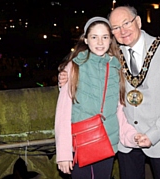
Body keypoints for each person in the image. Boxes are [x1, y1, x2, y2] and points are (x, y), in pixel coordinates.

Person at [59, 5, 160, 179]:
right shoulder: (114, 55)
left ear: (138, 21)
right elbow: (90, 76)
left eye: (126, 23)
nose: (122, 31)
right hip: (127, 140)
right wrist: (65, 77)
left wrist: (154, 134)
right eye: (116, 28)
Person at [55, 16, 143, 179]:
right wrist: (64, 153)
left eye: (105, 37)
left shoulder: (116, 67)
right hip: (82, 143)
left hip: (107, 141)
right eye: (94, 37)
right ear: (86, 40)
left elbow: (119, 111)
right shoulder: (74, 67)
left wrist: (131, 135)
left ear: (111, 40)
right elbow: (63, 114)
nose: (100, 42)